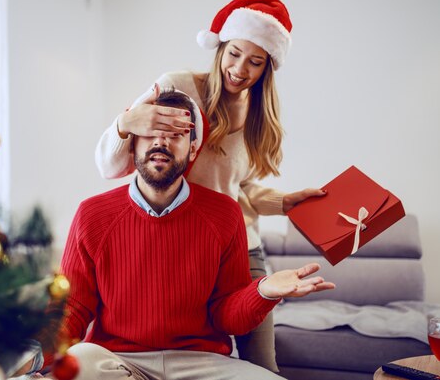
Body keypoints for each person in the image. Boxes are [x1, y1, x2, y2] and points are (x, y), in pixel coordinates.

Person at [94, 0, 324, 372]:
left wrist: (285, 202)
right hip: (182, 240)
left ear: (268, 67)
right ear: (220, 47)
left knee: (264, 363)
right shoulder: (177, 87)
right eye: (234, 53)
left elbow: (239, 186)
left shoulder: (258, 114)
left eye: (255, 61)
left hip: (239, 244)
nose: (240, 69)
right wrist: (125, 123)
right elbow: (113, 164)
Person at [55, 90, 335, 380]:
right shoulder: (92, 214)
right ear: (133, 144)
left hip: (201, 362)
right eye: (151, 132)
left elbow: (226, 315)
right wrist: (34, 356)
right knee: (79, 362)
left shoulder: (224, 213)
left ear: (192, 149)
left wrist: (264, 291)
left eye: (176, 134)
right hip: (117, 359)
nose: (161, 141)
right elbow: (73, 308)